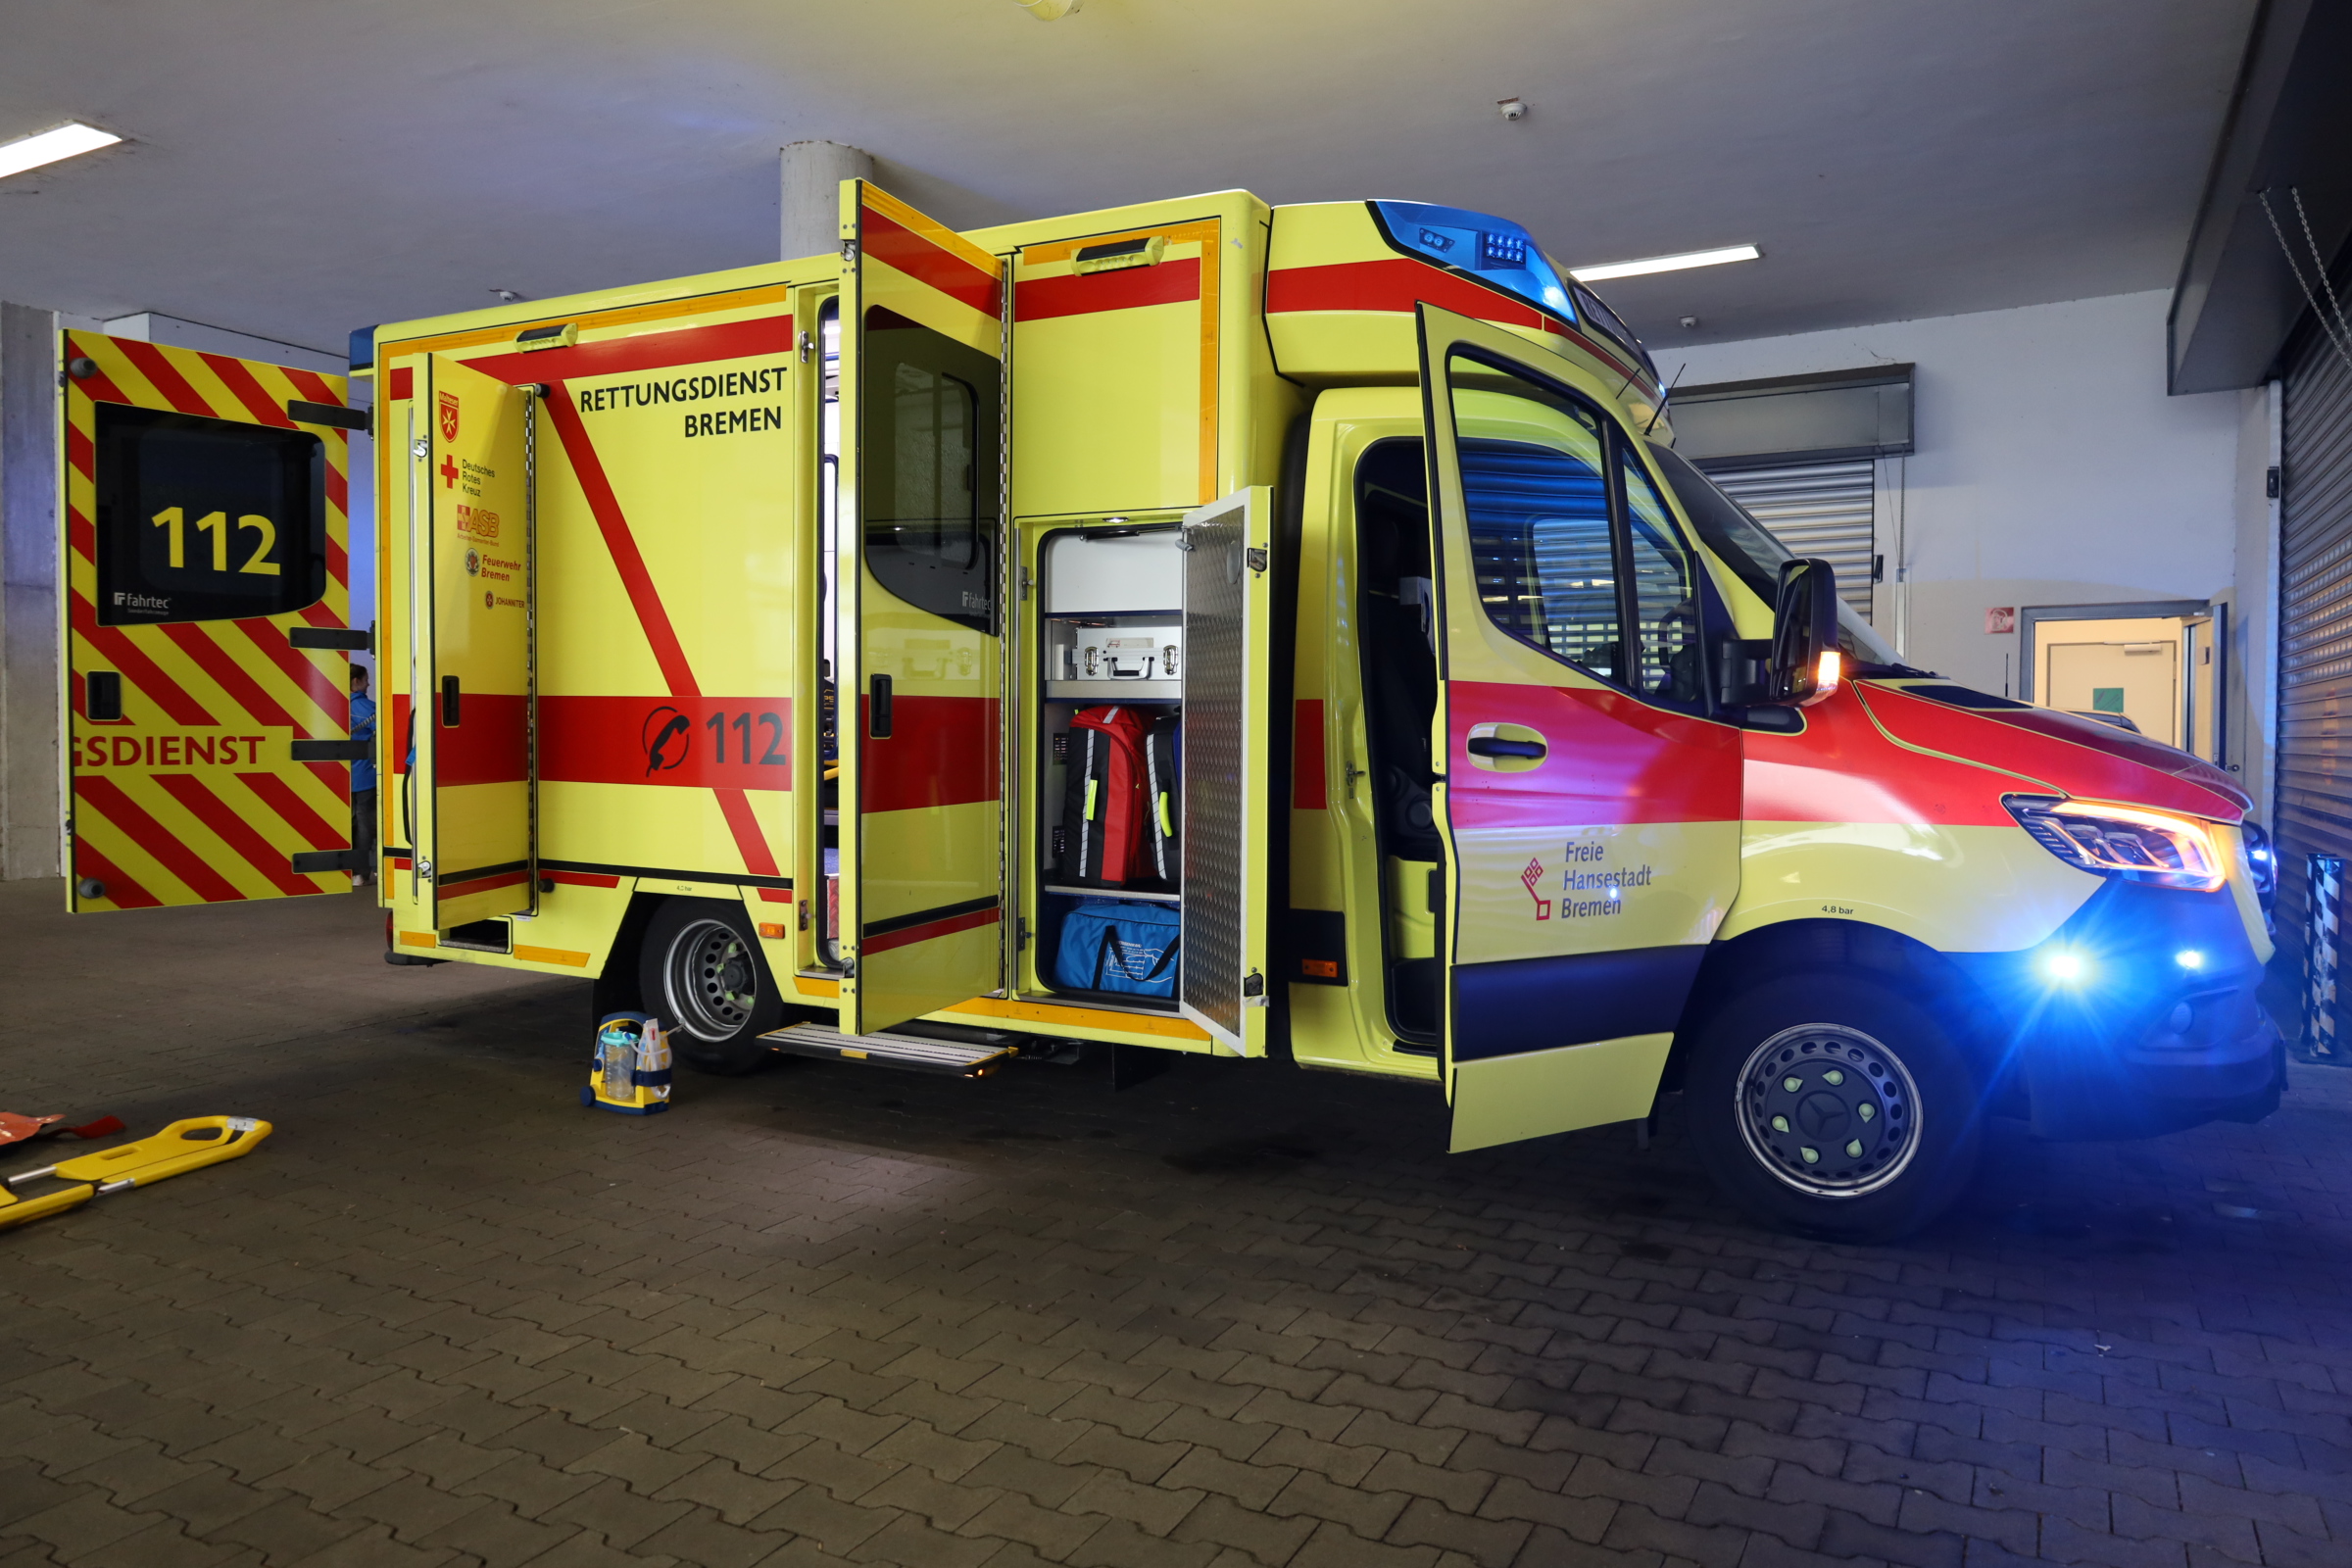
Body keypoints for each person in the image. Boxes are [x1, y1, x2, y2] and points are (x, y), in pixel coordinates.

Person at [350, 664, 377, 886]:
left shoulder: (333, 704)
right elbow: (390, 725)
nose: (368, 684)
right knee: (366, 825)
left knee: (348, 825)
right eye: (366, 679)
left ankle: (351, 872)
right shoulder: (362, 706)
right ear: (356, 681)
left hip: (340, 778)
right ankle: (362, 873)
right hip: (364, 776)